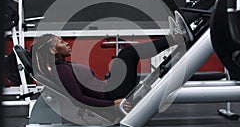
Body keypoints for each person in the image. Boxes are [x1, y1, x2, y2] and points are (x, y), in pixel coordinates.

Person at [31, 33, 170, 109]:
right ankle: (174, 39)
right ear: (53, 50)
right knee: (128, 53)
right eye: (61, 42)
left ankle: (174, 39)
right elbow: (78, 100)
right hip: (112, 94)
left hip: (110, 89)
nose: (66, 43)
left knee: (126, 54)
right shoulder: (60, 70)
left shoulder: (62, 66)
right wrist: (113, 104)